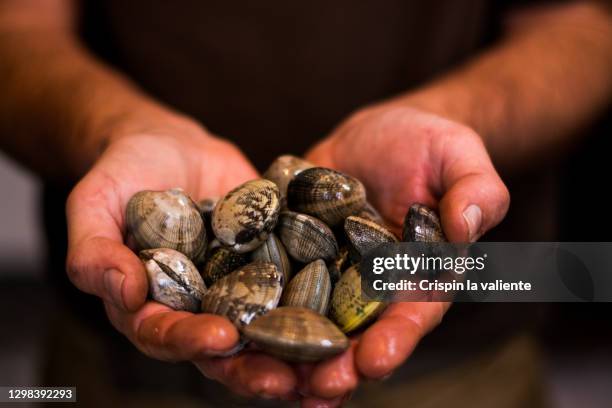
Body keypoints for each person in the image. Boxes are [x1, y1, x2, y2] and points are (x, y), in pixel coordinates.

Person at [0, 1, 611, 407]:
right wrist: (113, 126)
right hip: (118, 371)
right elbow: (16, 27)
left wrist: (456, 120)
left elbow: (585, 25)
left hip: (469, 355)